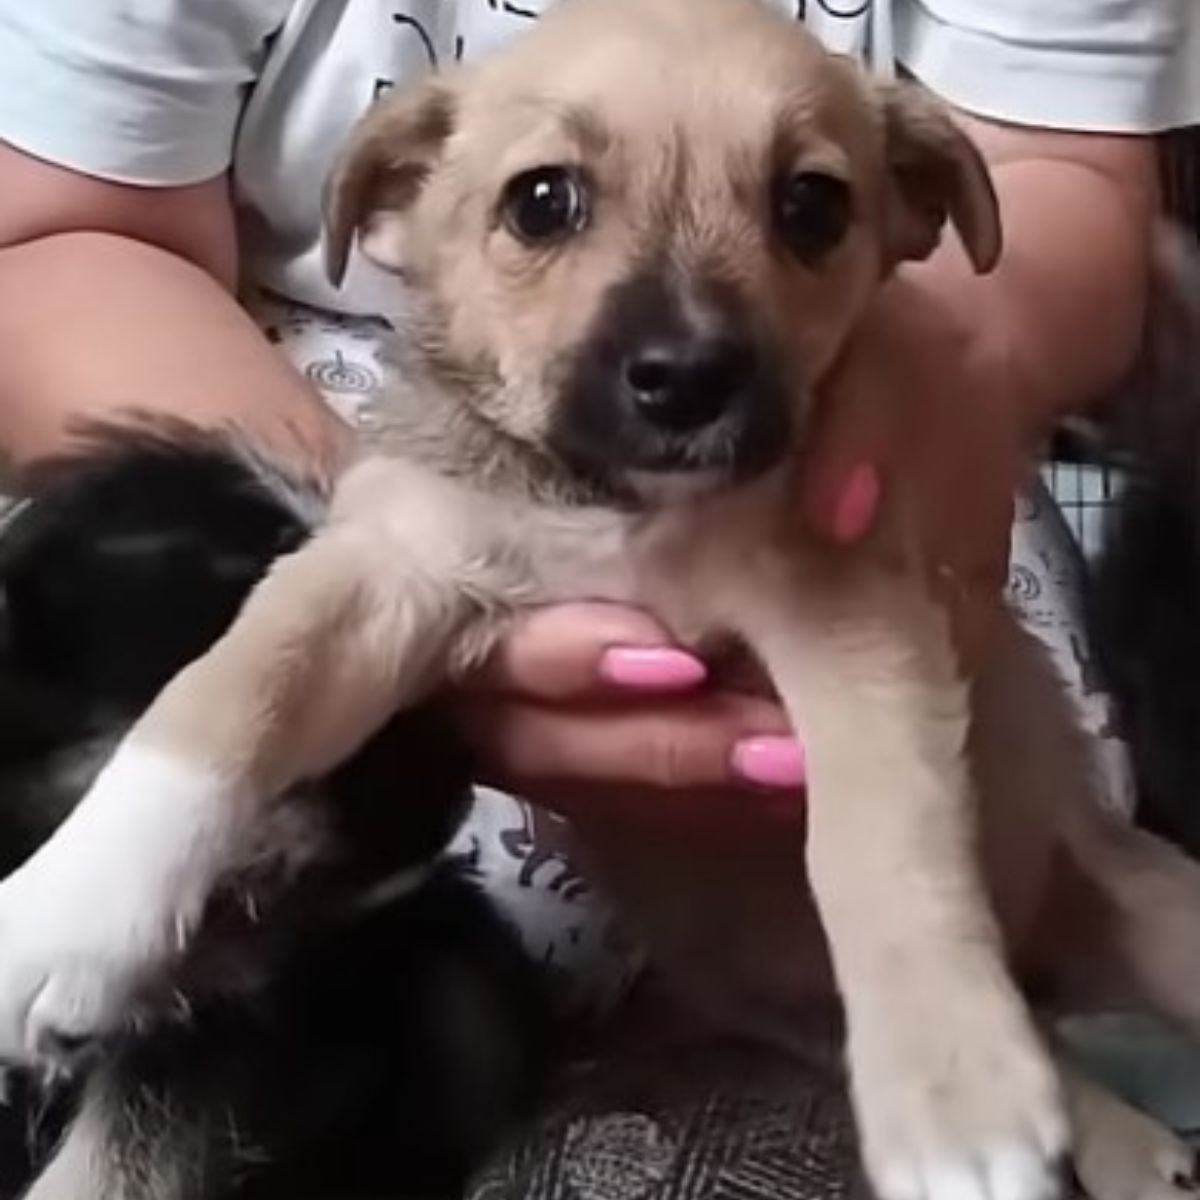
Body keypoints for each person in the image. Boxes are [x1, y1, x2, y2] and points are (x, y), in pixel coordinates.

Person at [0, 0, 1195, 1013]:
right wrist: (391, 569)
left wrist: (949, 385)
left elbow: (1060, 175)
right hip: (302, 390)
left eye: (807, 205)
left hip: (863, 383)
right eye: (548, 203)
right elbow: (72, 231)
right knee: (262, 901)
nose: (679, 341)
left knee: (994, 817)